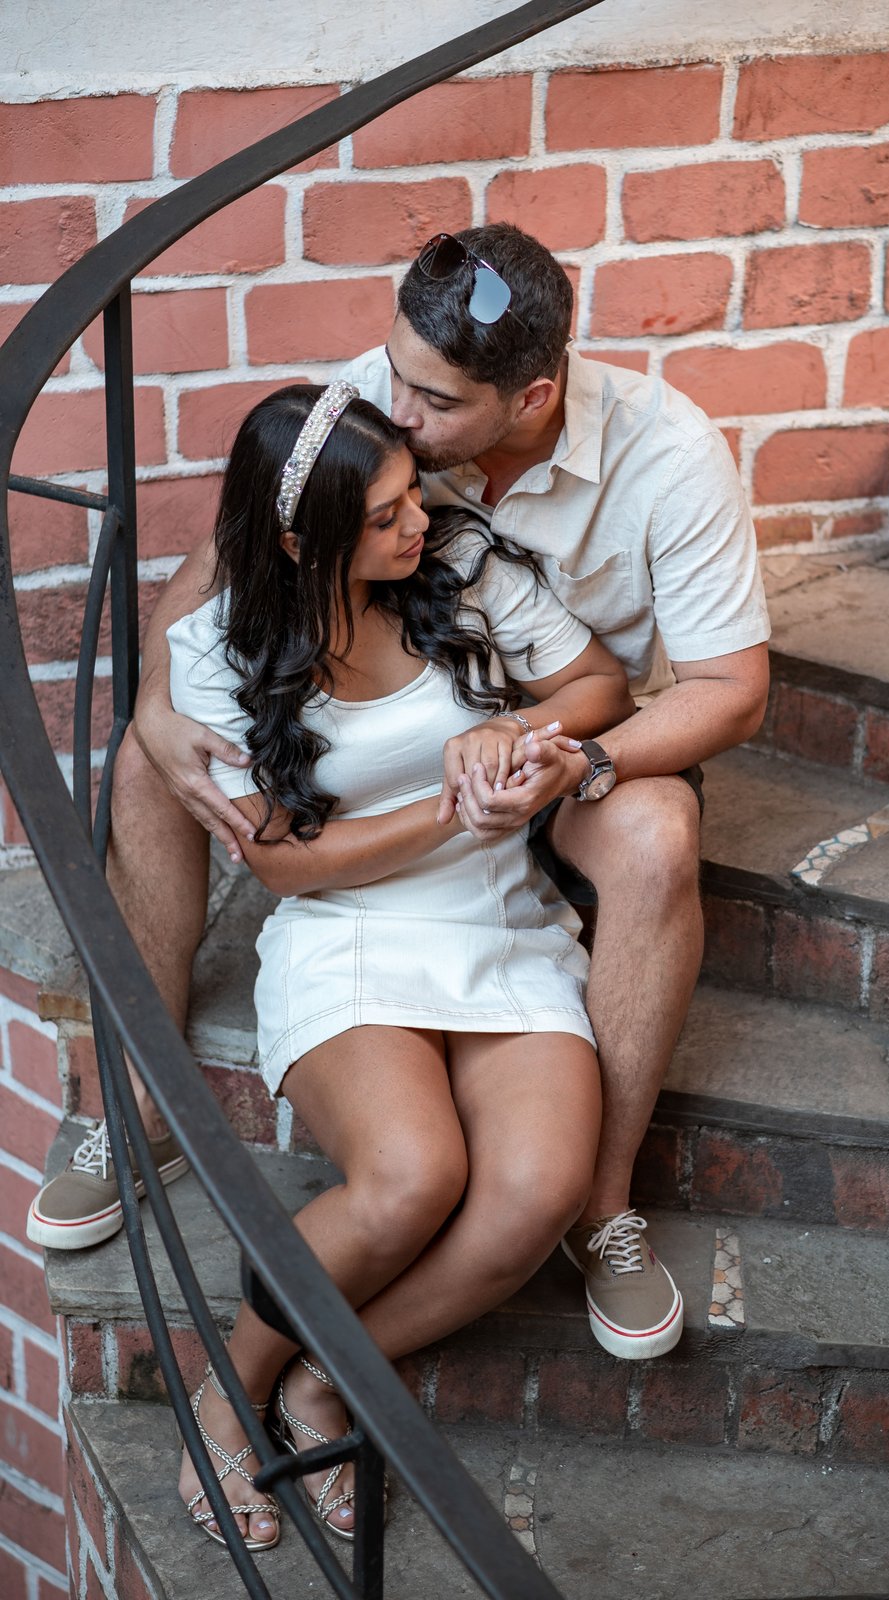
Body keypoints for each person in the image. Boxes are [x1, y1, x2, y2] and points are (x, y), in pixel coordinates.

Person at [29, 223, 770, 1364]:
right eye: (396, 377)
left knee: (660, 830)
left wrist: (570, 757)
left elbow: (728, 690)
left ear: (529, 398)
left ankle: (601, 1206)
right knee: (143, 761)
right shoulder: (389, 396)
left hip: (575, 731)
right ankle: (136, 1097)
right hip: (409, 760)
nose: (399, 413)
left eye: (433, 401)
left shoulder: (669, 457)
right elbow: (232, 560)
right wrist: (162, 711)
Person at [166, 380, 629, 1547]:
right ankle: (227, 1390)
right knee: (413, 1174)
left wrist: (514, 731)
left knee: (536, 1193)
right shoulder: (218, 650)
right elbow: (285, 863)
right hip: (348, 929)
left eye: (410, 494)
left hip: (501, 920)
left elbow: (601, 686)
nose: (418, 522)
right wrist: (451, 806)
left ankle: (330, 1376)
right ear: (298, 539)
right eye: (383, 516)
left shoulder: (459, 568)